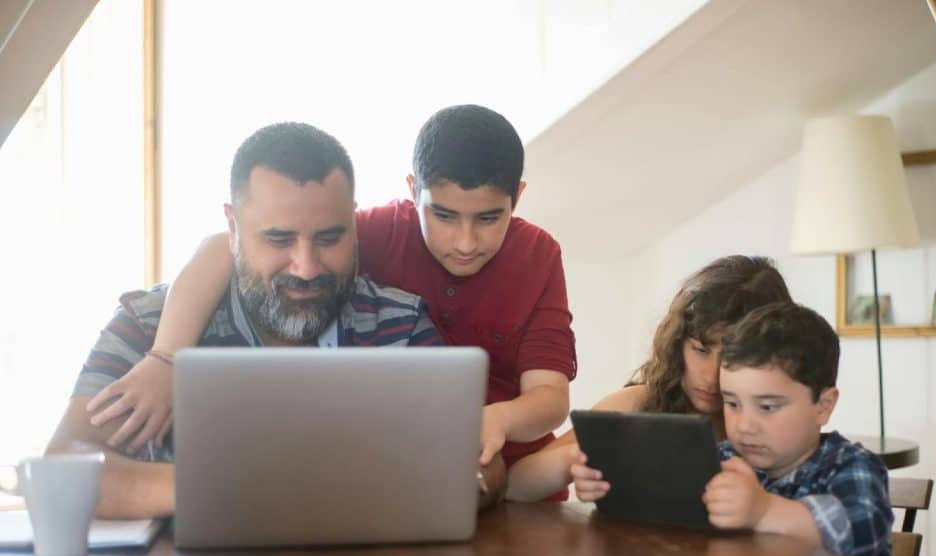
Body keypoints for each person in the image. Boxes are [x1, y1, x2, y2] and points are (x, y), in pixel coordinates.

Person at [85, 105, 576, 495]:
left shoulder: (534, 257)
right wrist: (167, 356)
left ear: (518, 198)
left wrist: (495, 420)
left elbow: (551, 397)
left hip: (504, 473)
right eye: (444, 216)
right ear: (413, 193)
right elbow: (224, 246)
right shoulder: (370, 232)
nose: (465, 242)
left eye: (488, 219)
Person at [576, 302, 909, 556]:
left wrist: (765, 510)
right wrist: (608, 482)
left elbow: (855, 529)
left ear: (823, 405)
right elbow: (664, 525)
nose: (745, 424)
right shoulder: (721, 462)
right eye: (732, 403)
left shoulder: (852, 467)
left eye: (767, 406)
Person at [506, 255, 792, 502]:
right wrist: (576, 460)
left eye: (731, 356)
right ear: (678, 343)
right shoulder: (635, 405)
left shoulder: (784, 428)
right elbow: (513, 486)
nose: (711, 377)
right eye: (700, 350)